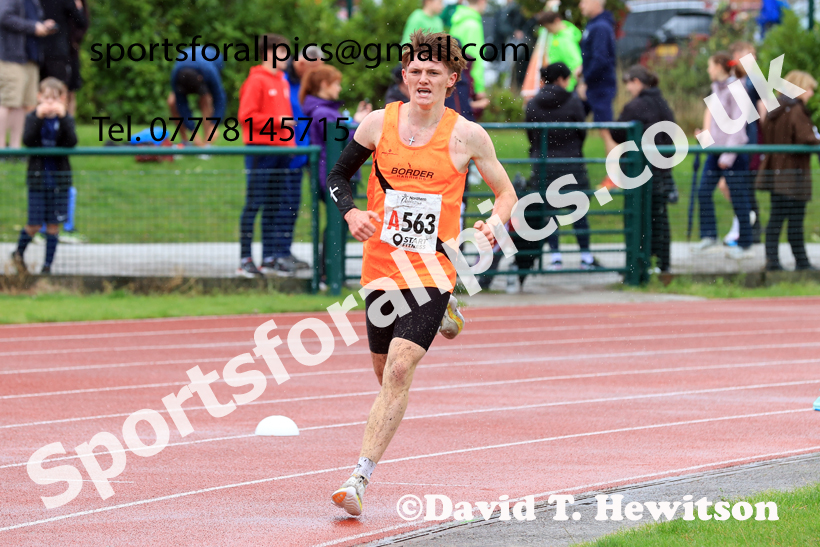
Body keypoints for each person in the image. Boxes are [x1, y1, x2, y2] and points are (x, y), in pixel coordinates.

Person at [326, 30, 517, 516]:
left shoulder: (467, 134)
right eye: (415, 71)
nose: (423, 79)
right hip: (381, 270)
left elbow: (506, 195)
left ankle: (358, 479)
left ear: (452, 80)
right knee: (382, 373)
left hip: (433, 270)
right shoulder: (376, 124)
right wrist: (351, 214)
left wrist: (494, 225)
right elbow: (336, 178)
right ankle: (449, 316)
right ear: (405, 76)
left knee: (399, 368)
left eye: (434, 72)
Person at [524, 62, 601, 273]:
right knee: (579, 210)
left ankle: (555, 256)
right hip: (572, 165)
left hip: (544, 165)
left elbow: (531, 135)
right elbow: (581, 131)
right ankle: (585, 256)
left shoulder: (532, 104)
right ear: (561, 79)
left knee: (549, 212)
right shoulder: (573, 102)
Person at [237, 34, 301, 277]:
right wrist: (278, 122)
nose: (288, 58)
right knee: (254, 204)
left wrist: (291, 144)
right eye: (283, 52)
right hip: (261, 150)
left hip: (282, 151)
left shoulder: (282, 81)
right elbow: (246, 116)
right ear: (270, 53)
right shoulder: (256, 81)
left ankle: (270, 257)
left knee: (275, 204)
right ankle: (245, 258)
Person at [611, 65, 677, 273]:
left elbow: (617, 132)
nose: (628, 89)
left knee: (638, 217)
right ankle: (662, 264)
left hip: (640, 171)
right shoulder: (662, 103)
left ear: (637, 82)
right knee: (660, 217)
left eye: (629, 84)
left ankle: (638, 264)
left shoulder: (636, 106)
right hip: (662, 169)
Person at [10, 77, 77, 275]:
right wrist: (38, 117)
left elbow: (71, 141)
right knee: (34, 223)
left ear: (63, 100)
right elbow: (28, 140)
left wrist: (64, 117)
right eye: (46, 98)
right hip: (39, 180)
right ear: (39, 98)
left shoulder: (66, 120)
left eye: (54, 99)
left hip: (59, 180)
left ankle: (47, 267)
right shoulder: (32, 118)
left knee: (53, 225)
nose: (50, 103)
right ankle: (18, 254)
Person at [756, 70, 820, 271]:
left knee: (777, 217)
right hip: (794, 173)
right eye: (809, 89)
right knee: (795, 220)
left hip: (776, 172)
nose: (811, 94)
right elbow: (806, 137)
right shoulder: (795, 110)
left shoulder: (775, 109)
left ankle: (772, 260)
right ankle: (801, 262)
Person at [695, 52, 754, 260]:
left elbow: (738, 129)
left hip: (733, 154)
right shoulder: (716, 89)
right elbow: (718, 125)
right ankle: (709, 235)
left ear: (719, 66)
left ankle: (746, 243)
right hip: (716, 151)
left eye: (710, 66)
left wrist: (726, 158)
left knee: (739, 197)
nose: (708, 70)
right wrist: (705, 139)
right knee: (703, 191)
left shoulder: (736, 90)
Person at [0, 0, 56, 151]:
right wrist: (33, 27)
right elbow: (4, 17)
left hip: (30, 59)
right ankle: (1, 149)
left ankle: (15, 148)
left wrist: (43, 25)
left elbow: (30, 20)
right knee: (8, 102)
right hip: (11, 58)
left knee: (22, 104)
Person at [723, 41, 763, 246]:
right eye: (750, 54)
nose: (754, 59)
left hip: (749, 139)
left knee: (744, 184)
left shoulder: (755, 80)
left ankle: (750, 230)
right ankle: (745, 225)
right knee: (732, 184)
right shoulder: (729, 79)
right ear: (737, 55)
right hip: (731, 139)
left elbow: (765, 111)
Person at [284, 44, 324, 235]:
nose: (319, 74)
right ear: (301, 64)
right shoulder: (283, 82)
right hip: (285, 153)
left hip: (304, 153)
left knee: (292, 204)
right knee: (279, 205)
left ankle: (284, 252)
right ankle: (275, 254)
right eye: (315, 69)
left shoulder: (308, 85)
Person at [578, 0, 617, 161]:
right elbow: (592, 55)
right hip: (592, 85)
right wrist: (582, 68)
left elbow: (601, 59)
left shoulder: (601, 26)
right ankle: (565, 167)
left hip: (600, 87)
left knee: (606, 131)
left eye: (584, 1)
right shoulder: (593, 25)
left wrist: (585, 81)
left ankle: (614, 176)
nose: (581, 5)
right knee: (570, 123)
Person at [167, 45, 226, 146]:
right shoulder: (176, 75)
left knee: (206, 99)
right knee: (172, 102)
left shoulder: (209, 72)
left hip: (213, 61)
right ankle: (185, 142)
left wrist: (214, 125)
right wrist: (193, 132)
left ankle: (207, 143)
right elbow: (182, 105)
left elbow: (220, 98)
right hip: (190, 66)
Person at [449, 0, 487, 107]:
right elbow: (475, 59)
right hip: (468, 82)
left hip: (455, 79)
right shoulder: (473, 25)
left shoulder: (457, 21)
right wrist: (479, 87)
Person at [38, 0, 85, 86]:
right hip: (58, 51)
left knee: (39, 92)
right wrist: (79, 9)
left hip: (37, 52)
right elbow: (81, 22)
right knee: (59, 90)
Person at [535, 11, 582, 91]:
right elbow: (541, 32)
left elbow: (576, 64)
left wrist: (569, 85)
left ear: (556, 21)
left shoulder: (566, 39)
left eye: (548, 28)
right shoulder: (554, 35)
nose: (548, 31)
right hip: (556, 83)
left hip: (565, 86)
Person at [65, 0, 86, 116]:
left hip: (73, 52)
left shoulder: (81, 5)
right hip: (58, 50)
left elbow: (84, 24)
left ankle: (69, 122)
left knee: (71, 91)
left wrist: (75, 40)